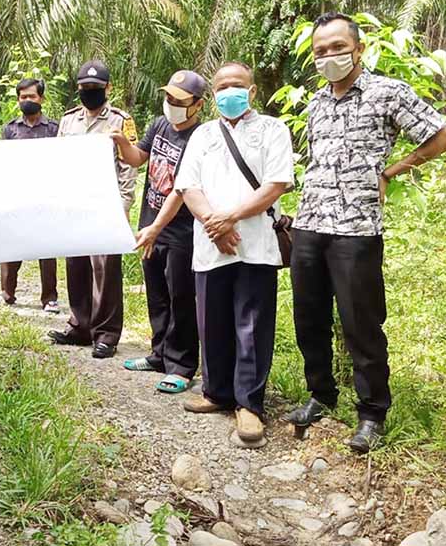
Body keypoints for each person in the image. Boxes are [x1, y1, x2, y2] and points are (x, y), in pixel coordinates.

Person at [284, 12, 446, 454]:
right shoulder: (316, 102)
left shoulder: (388, 92)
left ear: (358, 48)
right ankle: (321, 395)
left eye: (338, 47)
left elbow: (443, 137)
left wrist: (393, 170)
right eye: (321, 50)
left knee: (361, 322)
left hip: (356, 228)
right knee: (309, 318)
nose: (329, 56)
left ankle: (372, 413)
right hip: (310, 222)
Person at [175, 61, 294, 447]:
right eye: (222, 86)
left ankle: (249, 405)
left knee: (252, 324)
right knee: (212, 320)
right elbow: (188, 186)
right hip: (211, 245)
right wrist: (214, 223)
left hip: (255, 243)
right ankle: (216, 392)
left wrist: (231, 219)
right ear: (212, 95)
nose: (230, 91)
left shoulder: (272, 130)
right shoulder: (203, 135)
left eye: (237, 85)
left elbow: (277, 184)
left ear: (253, 91)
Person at [110, 70, 205, 394]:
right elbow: (138, 159)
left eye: (179, 101)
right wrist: (123, 142)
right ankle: (159, 354)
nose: (171, 104)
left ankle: (183, 365)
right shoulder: (159, 124)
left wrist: (155, 228)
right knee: (157, 295)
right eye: (168, 98)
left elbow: (182, 191)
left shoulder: (201, 138)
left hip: (181, 231)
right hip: (151, 224)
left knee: (181, 297)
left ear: (198, 105)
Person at [49, 60, 137, 358]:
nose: (90, 93)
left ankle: (106, 334)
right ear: (78, 89)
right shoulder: (68, 120)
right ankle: (80, 325)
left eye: (96, 88)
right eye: (85, 88)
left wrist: (124, 206)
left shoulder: (121, 120)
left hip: (106, 205)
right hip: (75, 205)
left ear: (107, 88)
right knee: (76, 266)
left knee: (105, 271)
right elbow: (58, 161)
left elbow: (128, 167)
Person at [0, 78, 60, 313]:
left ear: (41, 99)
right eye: (23, 97)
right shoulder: (11, 129)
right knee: (14, 243)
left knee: (47, 247)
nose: (27, 101)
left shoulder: (54, 128)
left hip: (46, 195)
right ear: (18, 100)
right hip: (18, 194)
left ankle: (50, 297)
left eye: (32, 97)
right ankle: (7, 292)